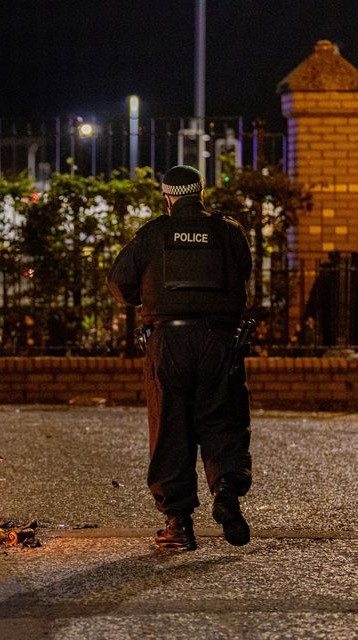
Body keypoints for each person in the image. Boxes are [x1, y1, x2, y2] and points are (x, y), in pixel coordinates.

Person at [107, 165, 253, 550]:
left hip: (168, 341)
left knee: (170, 427)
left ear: (168, 196)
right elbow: (244, 273)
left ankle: (178, 524)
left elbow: (120, 281)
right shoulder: (228, 231)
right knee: (223, 419)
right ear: (201, 192)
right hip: (220, 342)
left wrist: (145, 299)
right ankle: (226, 492)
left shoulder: (154, 234)